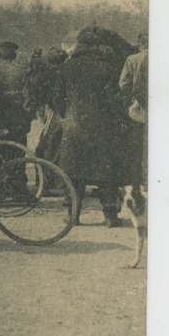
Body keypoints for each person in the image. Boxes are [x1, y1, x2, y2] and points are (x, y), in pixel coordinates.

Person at [52, 26, 131, 226]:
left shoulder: (66, 68)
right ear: (97, 46)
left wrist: (67, 114)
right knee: (106, 172)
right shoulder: (108, 67)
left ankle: (73, 215)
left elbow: (57, 99)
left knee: (73, 172)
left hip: (74, 126)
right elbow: (114, 99)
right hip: (102, 127)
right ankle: (111, 216)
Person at [119, 31, 148, 187]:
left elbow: (123, 84)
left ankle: (136, 182)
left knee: (136, 150)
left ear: (140, 43)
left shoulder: (132, 59)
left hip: (137, 111)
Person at [0, 40, 31, 148]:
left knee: (0, 146)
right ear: (13, 54)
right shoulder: (22, 71)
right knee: (19, 146)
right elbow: (27, 95)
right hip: (18, 112)